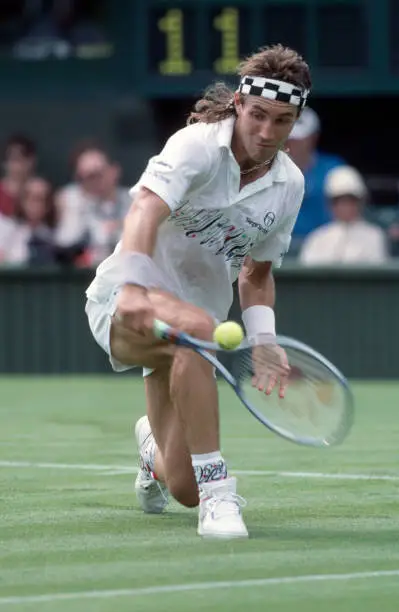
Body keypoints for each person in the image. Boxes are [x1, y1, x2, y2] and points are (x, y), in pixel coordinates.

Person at [85, 44, 312, 539]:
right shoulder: (196, 145)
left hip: (198, 332)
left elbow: (256, 272)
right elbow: (145, 208)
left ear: (295, 121)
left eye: (282, 121)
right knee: (195, 328)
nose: (267, 132)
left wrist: (265, 340)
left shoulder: (289, 185)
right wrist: (134, 287)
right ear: (238, 104)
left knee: (180, 487)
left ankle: (155, 454)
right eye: (258, 115)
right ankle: (220, 491)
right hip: (126, 305)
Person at [299, 165, 388, 265]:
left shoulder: (374, 236)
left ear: (361, 202)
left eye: (351, 200)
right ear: (330, 204)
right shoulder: (317, 238)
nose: (345, 206)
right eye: (339, 201)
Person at [286, 107, 345, 251]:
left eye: (300, 139)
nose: (293, 144)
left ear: (314, 137)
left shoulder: (333, 168)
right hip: (281, 247)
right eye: (290, 139)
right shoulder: (267, 168)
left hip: (326, 246)